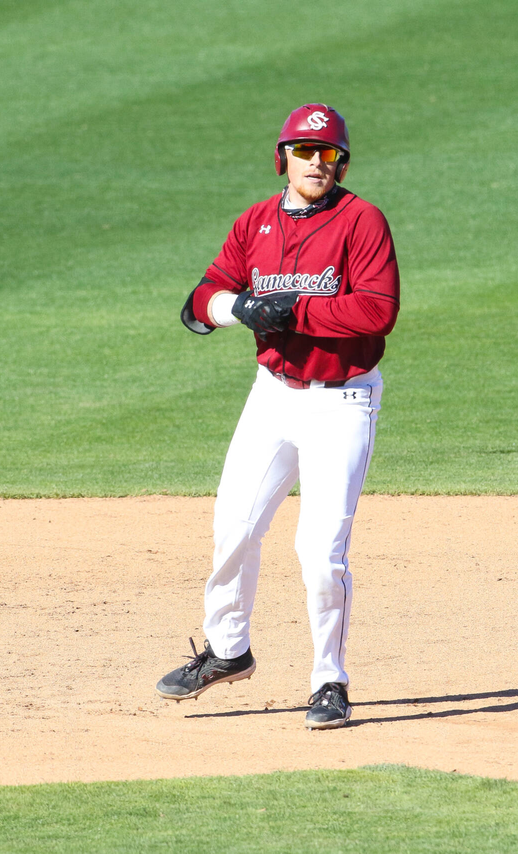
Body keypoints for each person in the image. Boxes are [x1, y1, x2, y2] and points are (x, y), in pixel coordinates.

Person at [157, 103, 400, 729]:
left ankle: (329, 680)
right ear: (282, 158)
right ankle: (228, 651)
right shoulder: (255, 222)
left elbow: (376, 312)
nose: (316, 163)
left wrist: (291, 312)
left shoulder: (362, 221)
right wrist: (242, 309)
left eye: (328, 154)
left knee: (320, 552)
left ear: (340, 162)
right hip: (272, 395)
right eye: (304, 152)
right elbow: (201, 298)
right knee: (232, 527)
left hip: (342, 399)